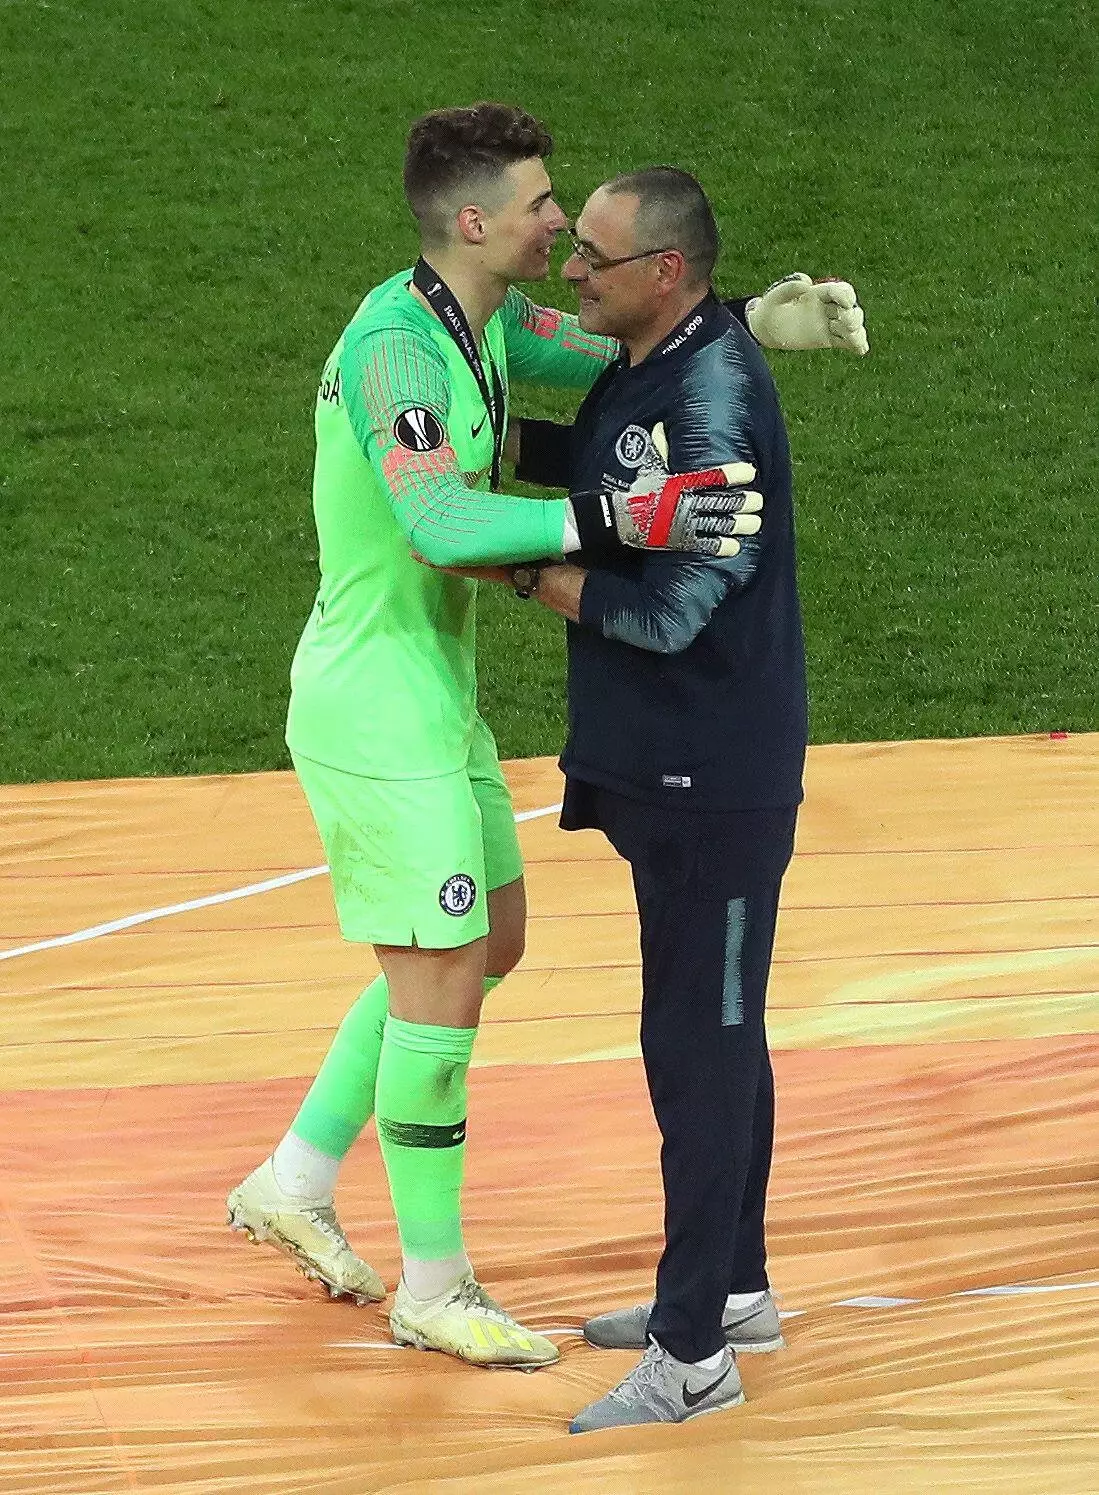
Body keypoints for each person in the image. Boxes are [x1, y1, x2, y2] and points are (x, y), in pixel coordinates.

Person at [224, 103, 777, 1373]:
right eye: (540, 203)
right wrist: (615, 518)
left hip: (431, 694)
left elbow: (605, 352)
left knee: (488, 947)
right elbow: (443, 529)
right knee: (442, 985)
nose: (557, 223)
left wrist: (750, 319)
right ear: (475, 222)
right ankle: (436, 1283)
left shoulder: (480, 320)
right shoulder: (399, 355)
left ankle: (294, 1176)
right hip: (378, 712)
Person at [480, 166, 821, 1428]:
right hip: (673, 767)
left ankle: (693, 1358)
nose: (571, 275)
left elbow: (675, 606)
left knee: (699, 1048)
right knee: (713, 1034)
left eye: (596, 262)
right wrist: (478, 452)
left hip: (711, 775)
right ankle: (732, 1291)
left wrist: (514, 565)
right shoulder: (661, 354)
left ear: (663, 273)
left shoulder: (715, 398)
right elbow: (620, 471)